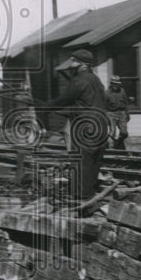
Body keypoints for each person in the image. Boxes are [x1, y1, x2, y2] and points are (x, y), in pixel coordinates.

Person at [37, 49, 109, 199]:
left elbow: (64, 100)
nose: (71, 66)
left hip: (85, 127)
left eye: (73, 62)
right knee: (93, 163)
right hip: (101, 126)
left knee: (81, 164)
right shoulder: (96, 80)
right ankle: (89, 197)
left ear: (82, 64)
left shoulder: (78, 80)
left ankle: (81, 203)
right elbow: (84, 104)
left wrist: (45, 106)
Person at [105, 76, 130, 150]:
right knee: (112, 132)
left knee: (124, 132)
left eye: (118, 84)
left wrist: (127, 113)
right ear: (111, 84)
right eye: (114, 84)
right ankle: (111, 147)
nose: (116, 86)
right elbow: (103, 106)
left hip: (121, 113)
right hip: (111, 113)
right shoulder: (106, 93)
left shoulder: (122, 91)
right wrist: (106, 115)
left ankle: (119, 143)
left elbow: (126, 103)